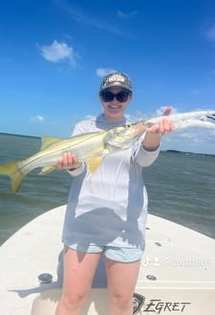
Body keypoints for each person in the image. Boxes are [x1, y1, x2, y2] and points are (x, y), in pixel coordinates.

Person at [55, 71, 175, 315]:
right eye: (108, 94)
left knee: (121, 300)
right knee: (73, 297)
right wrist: (73, 165)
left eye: (122, 95)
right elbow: (78, 172)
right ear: (100, 97)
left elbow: (143, 159)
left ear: (130, 98)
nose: (115, 100)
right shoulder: (84, 127)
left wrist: (152, 136)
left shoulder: (134, 130)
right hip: (83, 223)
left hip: (126, 226)